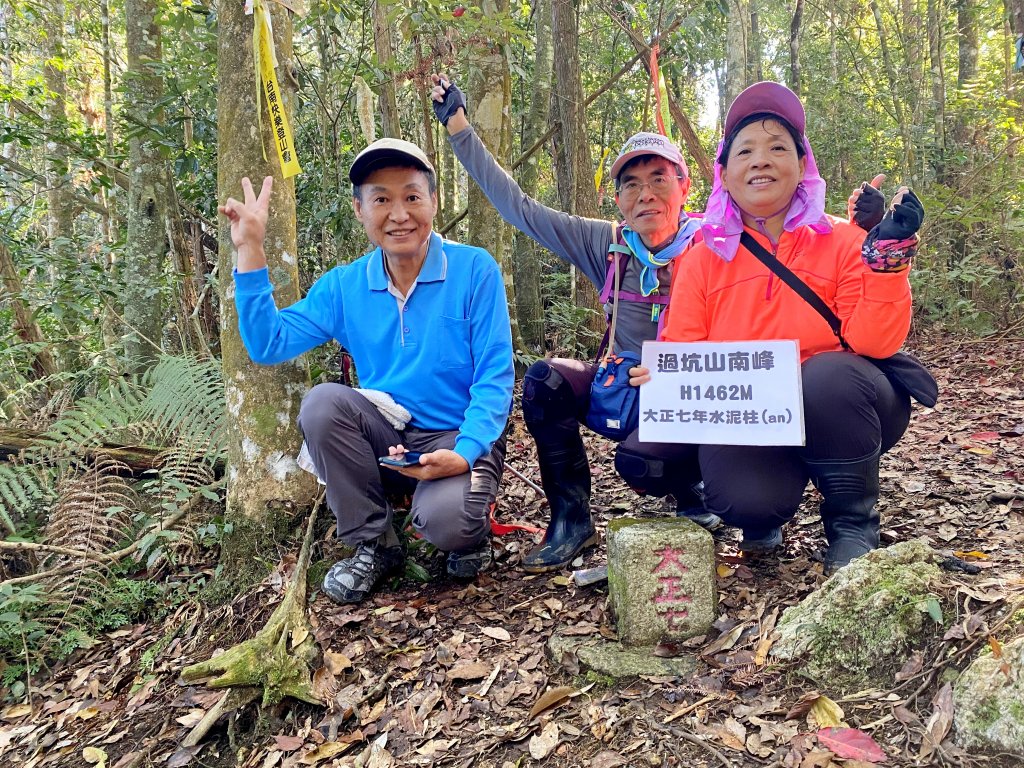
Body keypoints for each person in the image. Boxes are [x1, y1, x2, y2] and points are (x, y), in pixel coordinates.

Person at [631, 81, 925, 573]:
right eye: (745, 150)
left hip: (847, 404)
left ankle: (852, 524)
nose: (761, 160)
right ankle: (766, 514)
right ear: (724, 174)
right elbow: (685, 347)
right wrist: (664, 377)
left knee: (828, 377)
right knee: (743, 499)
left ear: (801, 165)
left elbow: (875, 341)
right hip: (756, 415)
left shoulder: (844, 239)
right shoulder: (701, 259)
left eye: (777, 148)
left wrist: (885, 260)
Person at [430, 73, 712, 573]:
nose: (646, 194)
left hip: (695, 393)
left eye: (659, 180)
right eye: (631, 184)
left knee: (643, 465)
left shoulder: (715, 246)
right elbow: (521, 208)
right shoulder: (606, 244)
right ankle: (571, 519)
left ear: (684, 186)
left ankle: (695, 486)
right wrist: (460, 131)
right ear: (618, 199)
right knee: (545, 380)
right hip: (627, 388)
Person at [221, 138, 515, 603]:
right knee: (322, 404)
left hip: (459, 438)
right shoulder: (345, 286)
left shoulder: (474, 270)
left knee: (449, 523)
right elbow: (268, 343)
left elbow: (495, 377)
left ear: (433, 202)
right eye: (381, 199)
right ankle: (374, 544)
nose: (399, 214)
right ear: (360, 210)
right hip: (391, 437)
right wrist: (251, 249)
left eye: (412, 197)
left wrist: (466, 450)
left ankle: (469, 530)